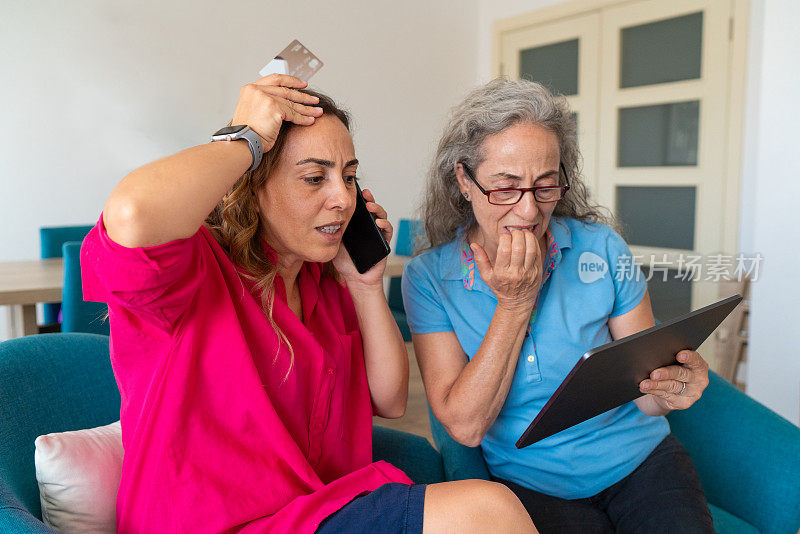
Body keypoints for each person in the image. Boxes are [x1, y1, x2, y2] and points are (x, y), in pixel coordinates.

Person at [81, 74, 536, 533]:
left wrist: (365, 285)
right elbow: (131, 214)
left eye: (350, 176)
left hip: (312, 513)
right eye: (315, 178)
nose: (342, 199)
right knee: (488, 511)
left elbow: (391, 397)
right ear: (251, 185)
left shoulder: (323, 281)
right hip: (212, 525)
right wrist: (247, 139)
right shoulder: (194, 271)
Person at [401, 78, 715, 534]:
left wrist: (672, 391)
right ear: (464, 181)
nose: (529, 212)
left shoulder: (602, 250)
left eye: (545, 185)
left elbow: (647, 398)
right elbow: (465, 428)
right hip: (530, 482)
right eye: (505, 188)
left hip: (641, 460)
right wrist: (515, 303)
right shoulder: (428, 279)